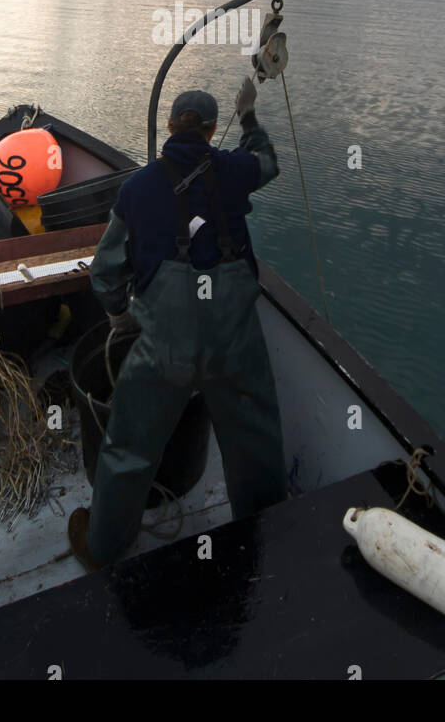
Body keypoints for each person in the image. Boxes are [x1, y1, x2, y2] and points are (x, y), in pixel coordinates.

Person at [67, 78, 287, 569]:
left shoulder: (136, 188)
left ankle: (103, 546)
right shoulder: (234, 169)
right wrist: (248, 116)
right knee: (256, 442)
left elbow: (105, 272)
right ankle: (269, 533)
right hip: (235, 342)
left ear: (168, 127)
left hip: (165, 347)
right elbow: (269, 161)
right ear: (211, 132)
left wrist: (120, 314)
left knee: (128, 446)